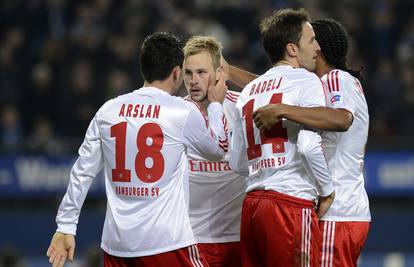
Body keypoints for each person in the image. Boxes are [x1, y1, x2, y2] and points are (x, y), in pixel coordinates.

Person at [46, 31, 229, 267]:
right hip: (167, 243)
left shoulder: (108, 111)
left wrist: (66, 226)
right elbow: (217, 150)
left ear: (143, 68)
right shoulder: (181, 112)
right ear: (176, 72)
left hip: (117, 247)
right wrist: (215, 106)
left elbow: (82, 172)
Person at [251, 19, 371, 267]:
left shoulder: (335, 79)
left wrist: (282, 109)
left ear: (320, 49)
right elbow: (274, 90)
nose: (310, 46)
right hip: (344, 211)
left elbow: (341, 118)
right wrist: (232, 74)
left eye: (312, 40)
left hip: (336, 212)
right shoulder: (328, 85)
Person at [228, 9, 335, 267]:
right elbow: (309, 146)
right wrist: (327, 192)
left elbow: (236, 162)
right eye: (311, 40)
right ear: (292, 49)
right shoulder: (306, 82)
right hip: (291, 205)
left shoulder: (248, 92)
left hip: (252, 208)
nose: (318, 47)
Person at [182, 35, 246, 267]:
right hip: (193, 238)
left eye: (201, 72)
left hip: (240, 237)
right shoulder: (176, 114)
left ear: (220, 72)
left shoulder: (243, 106)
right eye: (188, 73)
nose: (194, 81)